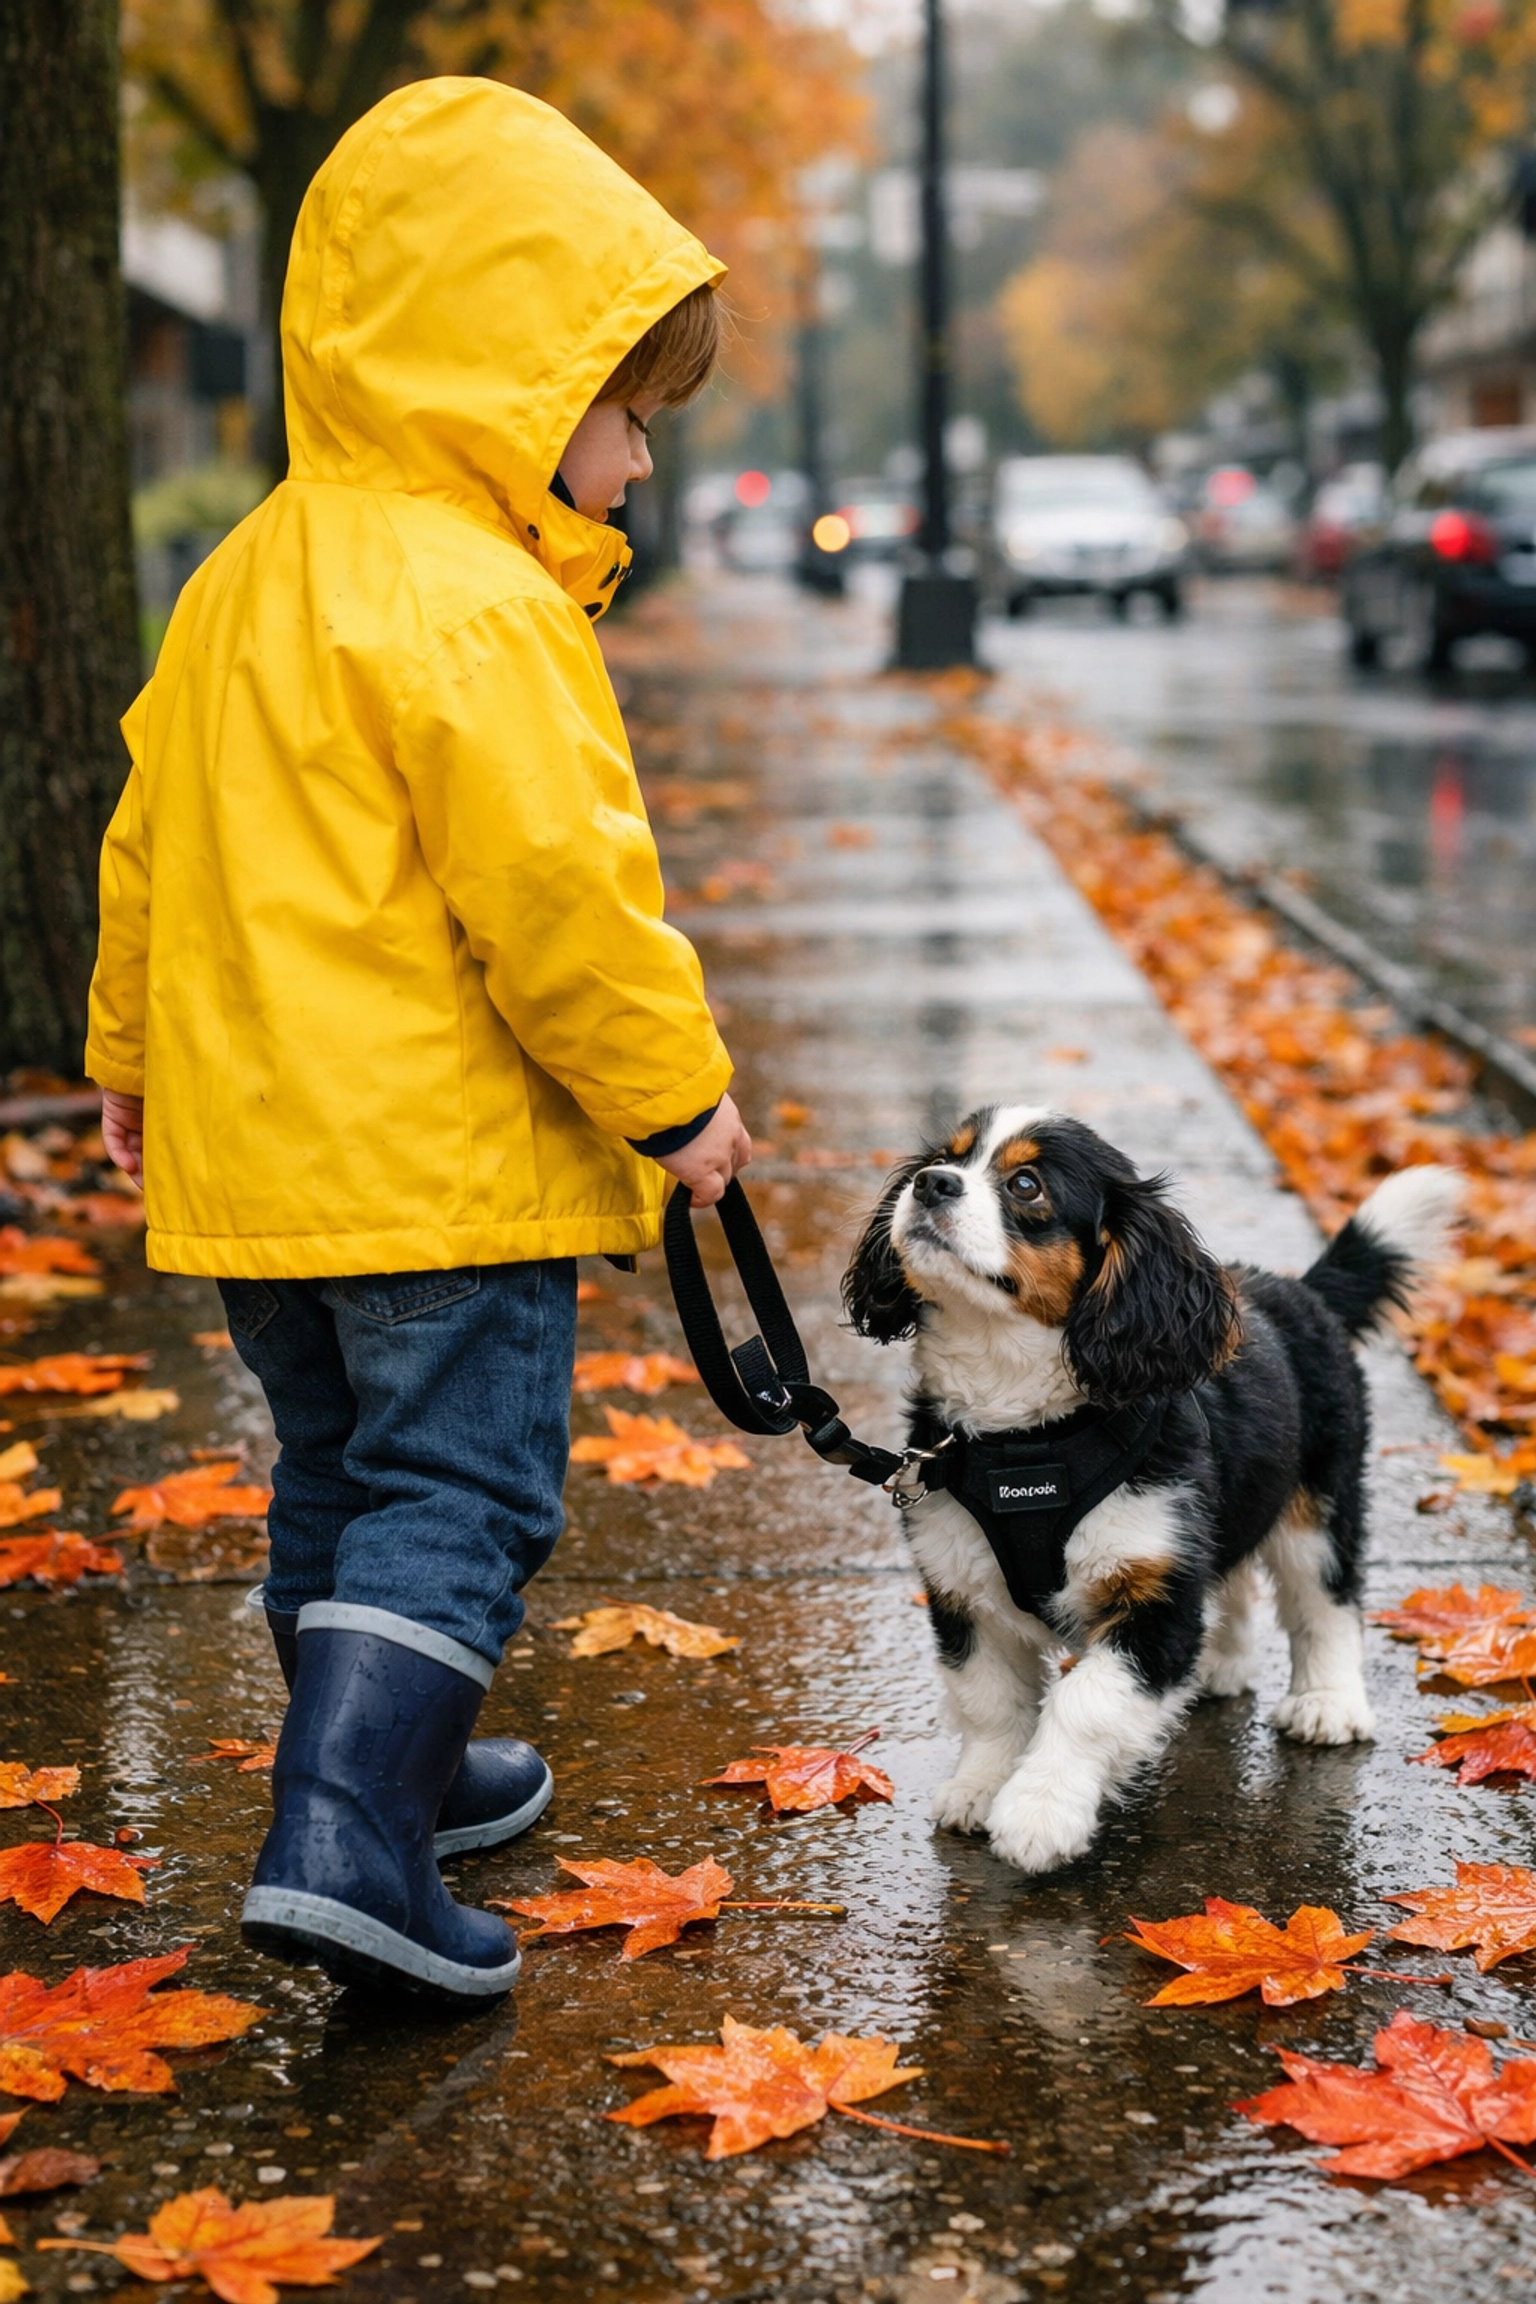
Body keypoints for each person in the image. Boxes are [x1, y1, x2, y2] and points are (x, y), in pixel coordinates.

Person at [86, 77, 751, 2006]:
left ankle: (396, 1758)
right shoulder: (476, 609)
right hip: (438, 1175)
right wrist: (677, 1098)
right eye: (627, 413)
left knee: (338, 1479)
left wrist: (129, 1061)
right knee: (462, 1492)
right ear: (504, 379)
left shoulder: (235, 584)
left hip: (266, 1179)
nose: (638, 463)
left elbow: (146, 845)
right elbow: (557, 903)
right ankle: (348, 1838)